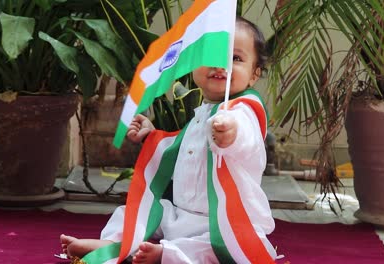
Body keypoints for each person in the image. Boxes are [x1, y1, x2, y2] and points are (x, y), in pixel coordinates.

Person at [60, 16, 277, 264]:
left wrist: (230, 133)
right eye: (211, 55)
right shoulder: (203, 113)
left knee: (215, 248)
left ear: (253, 75)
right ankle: (113, 242)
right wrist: (151, 135)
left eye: (235, 58)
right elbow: (181, 146)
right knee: (139, 211)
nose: (221, 65)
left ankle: (168, 255)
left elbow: (247, 136)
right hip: (181, 215)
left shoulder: (244, 111)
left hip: (225, 223)